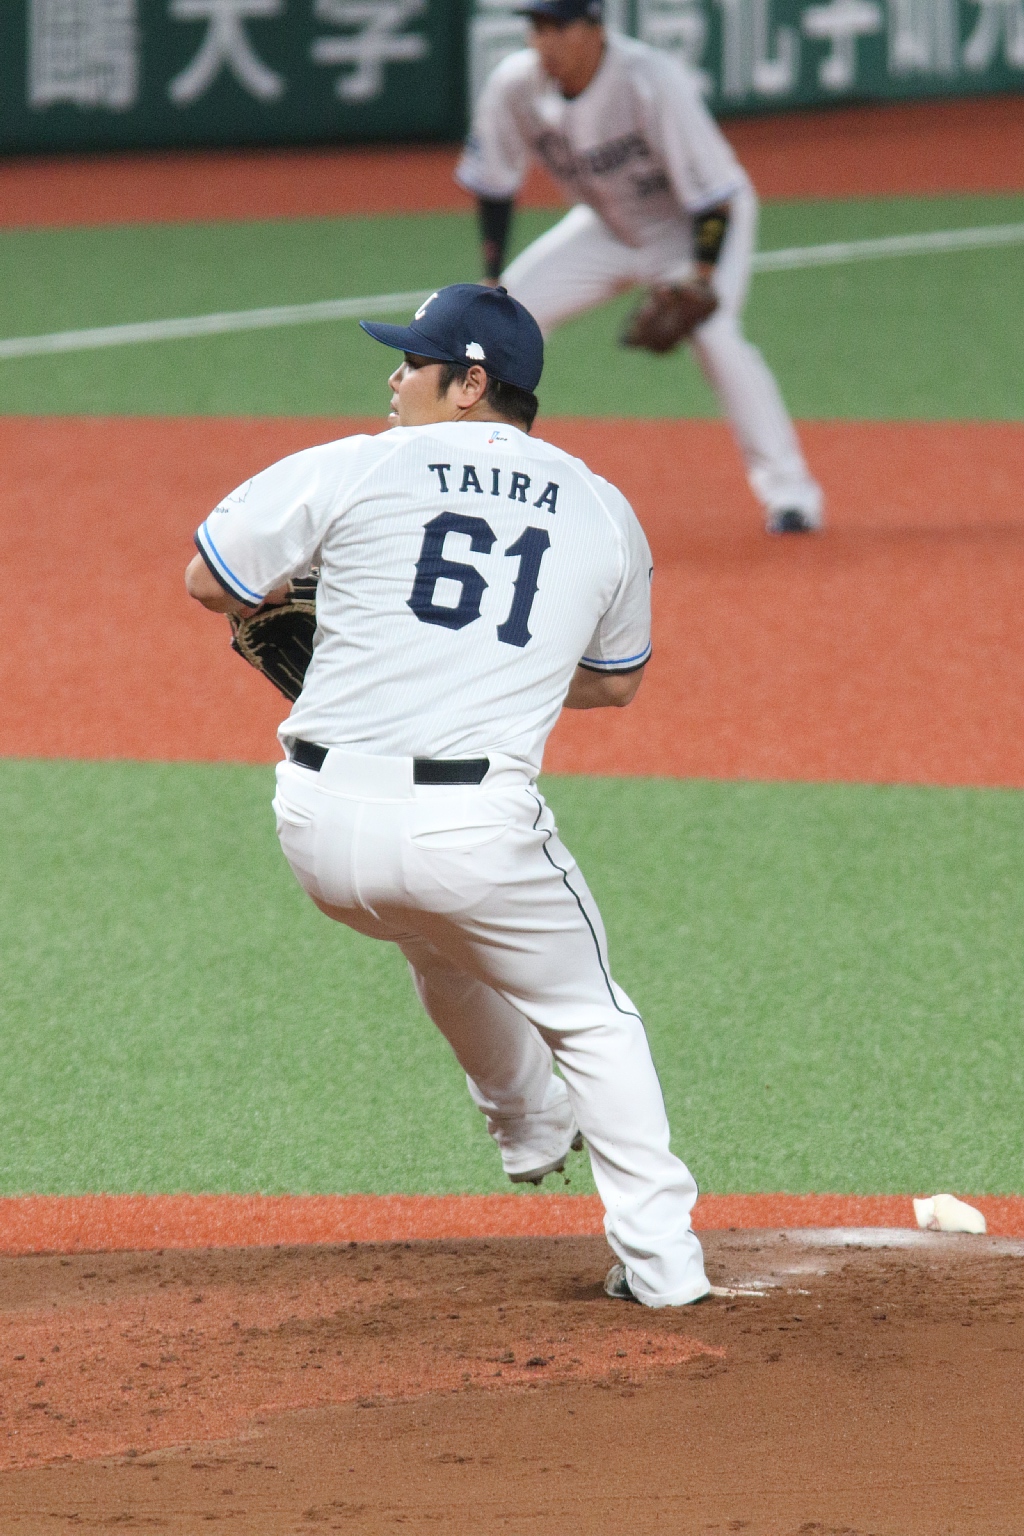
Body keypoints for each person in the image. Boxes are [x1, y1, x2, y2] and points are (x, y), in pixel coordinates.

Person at [184, 282, 710, 1308]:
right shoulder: (601, 504)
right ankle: (665, 1267)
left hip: (317, 832)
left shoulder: (359, 463)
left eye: (411, 362)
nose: (393, 379)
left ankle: (527, 1126)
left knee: (431, 937)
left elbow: (211, 582)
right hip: (471, 837)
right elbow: (615, 683)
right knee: (593, 1020)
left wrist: (353, 624)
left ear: (470, 384)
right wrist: (491, 668)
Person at [456, 0, 823, 535]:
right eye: (536, 26)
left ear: (595, 27)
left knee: (715, 334)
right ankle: (474, 476)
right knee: (502, 319)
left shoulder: (650, 81)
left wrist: (700, 277)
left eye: (558, 26)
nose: (544, 41)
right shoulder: (515, 85)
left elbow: (715, 195)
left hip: (691, 227)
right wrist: (493, 274)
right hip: (608, 227)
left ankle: (791, 495)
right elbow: (494, 184)